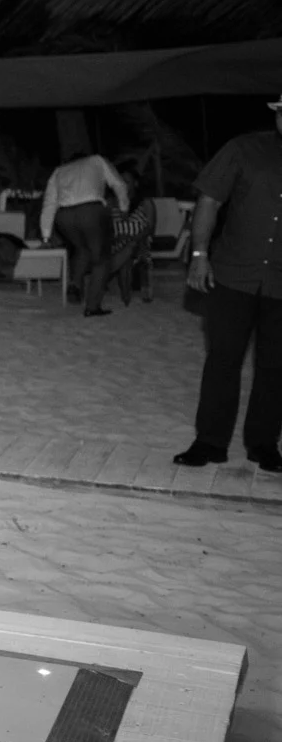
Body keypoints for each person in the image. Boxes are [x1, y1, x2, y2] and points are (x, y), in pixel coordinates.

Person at [174, 100, 282, 472]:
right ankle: (210, 442)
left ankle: (264, 445)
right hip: (233, 274)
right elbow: (209, 200)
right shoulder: (242, 148)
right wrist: (199, 254)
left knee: (276, 366)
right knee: (223, 360)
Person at [40, 151, 131, 317]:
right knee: (101, 259)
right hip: (90, 211)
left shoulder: (59, 171)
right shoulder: (97, 160)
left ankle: (75, 283)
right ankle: (92, 306)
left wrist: (46, 236)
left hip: (64, 215)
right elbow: (119, 184)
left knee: (82, 248)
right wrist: (124, 207)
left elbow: (49, 203)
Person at [105, 164, 156, 305]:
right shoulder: (111, 203)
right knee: (125, 255)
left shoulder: (145, 203)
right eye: (120, 181)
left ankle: (106, 277)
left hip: (140, 242)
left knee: (130, 248)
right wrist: (115, 238)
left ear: (136, 183)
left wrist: (134, 239)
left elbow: (150, 228)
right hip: (117, 243)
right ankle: (125, 296)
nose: (123, 185)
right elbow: (106, 227)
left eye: (126, 181)